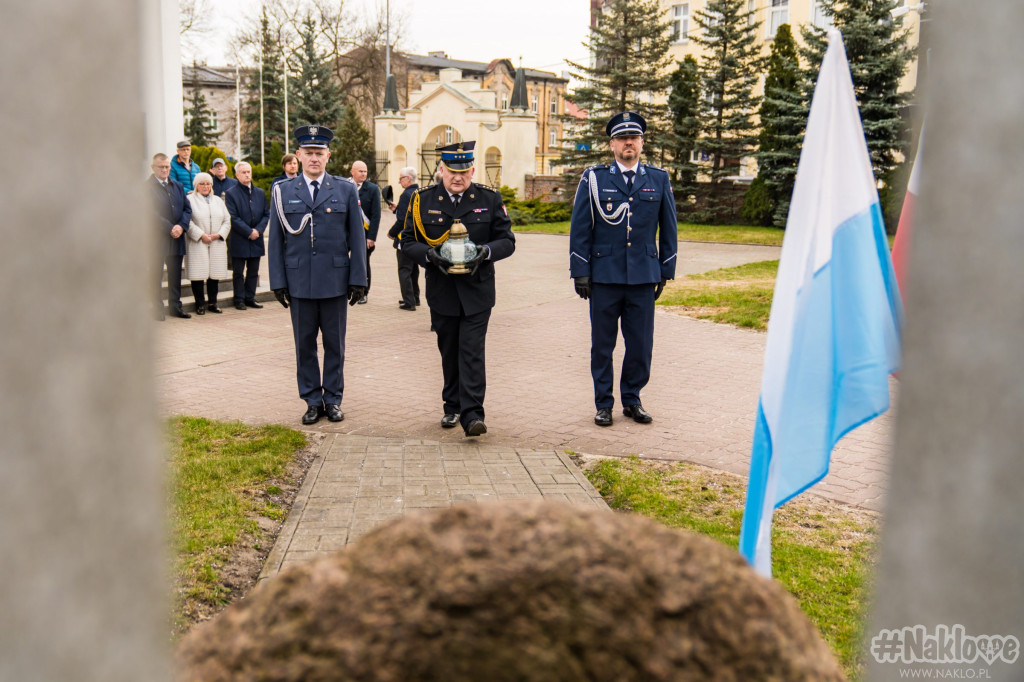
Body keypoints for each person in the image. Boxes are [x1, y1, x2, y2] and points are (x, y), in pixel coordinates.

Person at [569, 111, 678, 427]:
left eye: (633, 138)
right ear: (612, 144)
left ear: (642, 143)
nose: (628, 143)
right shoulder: (594, 179)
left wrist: (665, 270)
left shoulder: (658, 178)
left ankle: (632, 399)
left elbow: (669, 228)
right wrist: (580, 270)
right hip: (604, 276)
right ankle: (603, 403)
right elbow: (580, 228)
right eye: (622, 138)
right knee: (602, 346)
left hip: (643, 275)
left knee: (641, 345)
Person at [400, 141, 515, 437]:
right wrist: (429, 255)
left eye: (464, 172)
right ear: (442, 170)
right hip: (442, 291)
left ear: (472, 171)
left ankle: (473, 414)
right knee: (449, 350)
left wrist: (486, 252)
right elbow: (407, 241)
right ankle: (452, 405)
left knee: (472, 351)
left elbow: (507, 240)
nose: (458, 177)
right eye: (452, 171)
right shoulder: (422, 200)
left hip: (477, 291)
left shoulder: (489, 198)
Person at [269, 125, 367, 426]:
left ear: (328, 156)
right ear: (299, 155)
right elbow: (276, 241)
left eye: (319, 153)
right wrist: (278, 282)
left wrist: (358, 279)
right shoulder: (283, 191)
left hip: (335, 282)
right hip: (299, 283)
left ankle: (333, 399)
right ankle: (312, 400)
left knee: (335, 345)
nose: (314, 158)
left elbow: (357, 238)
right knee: (305, 346)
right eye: (309, 153)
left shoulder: (345, 189)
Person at [148, 152, 192, 320]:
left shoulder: (177, 186)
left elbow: (187, 209)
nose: (165, 170)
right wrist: (170, 227)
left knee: (175, 275)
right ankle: (157, 308)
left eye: (167, 167)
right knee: (155, 276)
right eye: (161, 167)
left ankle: (175, 306)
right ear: (153, 168)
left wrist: (181, 226)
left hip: (177, 238)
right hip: (157, 240)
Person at [224, 161, 269, 311]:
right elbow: (233, 217)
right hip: (240, 238)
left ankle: (250, 297)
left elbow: (266, 214)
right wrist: (249, 232)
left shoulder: (259, 193)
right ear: (237, 175)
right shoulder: (231, 193)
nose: (247, 174)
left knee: (253, 271)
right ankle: (239, 299)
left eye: (248, 171)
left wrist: (258, 230)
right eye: (243, 172)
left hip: (256, 238)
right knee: (238, 272)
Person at [185, 173, 231, 314]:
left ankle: (213, 303)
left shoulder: (217, 200)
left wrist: (219, 234)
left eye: (208, 184)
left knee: (214, 275)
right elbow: (187, 220)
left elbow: (227, 220)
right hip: (198, 242)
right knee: (198, 275)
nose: (205, 186)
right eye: (202, 184)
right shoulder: (190, 200)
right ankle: (200, 304)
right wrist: (201, 235)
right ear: (196, 185)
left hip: (216, 242)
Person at [387, 167, 421, 310]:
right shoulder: (419, 191)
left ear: (408, 178)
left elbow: (402, 220)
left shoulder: (406, 194)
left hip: (404, 238)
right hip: (416, 238)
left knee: (404, 270)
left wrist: (392, 232)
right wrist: (397, 209)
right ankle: (415, 298)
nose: (399, 182)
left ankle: (409, 302)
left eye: (401, 178)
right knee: (414, 269)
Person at [350, 160, 381, 304]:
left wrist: (371, 237)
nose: (363, 174)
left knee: (362, 263)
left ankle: (363, 292)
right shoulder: (346, 186)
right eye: (360, 171)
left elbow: (376, 215)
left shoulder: (372, 189)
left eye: (365, 171)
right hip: (346, 233)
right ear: (352, 172)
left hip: (363, 233)